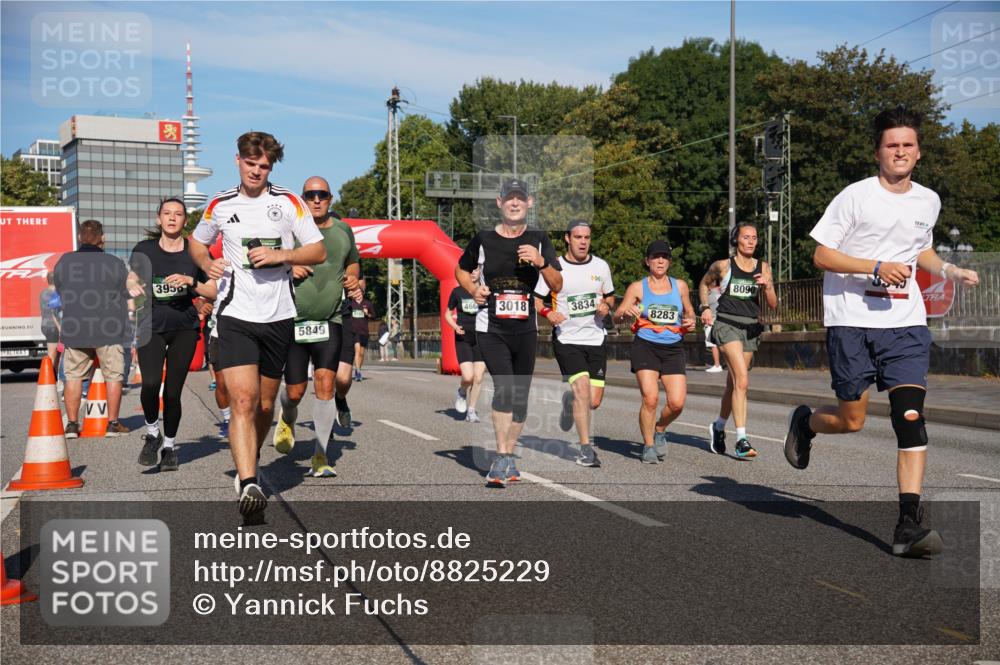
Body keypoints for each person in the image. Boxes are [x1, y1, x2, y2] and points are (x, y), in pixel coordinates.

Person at [783, 106, 979, 558]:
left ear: (919, 152)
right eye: (892, 145)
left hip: (905, 323)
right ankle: (806, 422)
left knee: (909, 416)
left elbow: (921, 248)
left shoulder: (927, 200)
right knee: (851, 420)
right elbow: (823, 257)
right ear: (878, 152)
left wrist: (948, 269)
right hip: (852, 321)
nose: (900, 152)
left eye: (908, 145)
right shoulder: (855, 197)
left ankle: (908, 524)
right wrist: (874, 266)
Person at [189, 131, 326, 525]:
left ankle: (252, 455)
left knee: (266, 404)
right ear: (238, 161)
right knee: (243, 401)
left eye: (264, 166)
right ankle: (249, 482)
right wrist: (206, 263)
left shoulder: (288, 203)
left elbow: (317, 250)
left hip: (279, 315)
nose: (257, 171)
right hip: (235, 315)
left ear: (271, 168)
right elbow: (197, 244)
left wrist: (281, 254)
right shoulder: (218, 204)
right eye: (251, 164)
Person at [455, 178, 562, 487]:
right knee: (504, 386)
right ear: (499, 203)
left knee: (520, 398)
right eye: (509, 198)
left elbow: (557, 285)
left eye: (521, 198)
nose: (515, 203)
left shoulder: (540, 238)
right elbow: (460, 269)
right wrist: (473, 288)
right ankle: (501, 457)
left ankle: (508, 455)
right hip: (492, 327)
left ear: (529, 203)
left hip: (525, 329)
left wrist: (542, 262)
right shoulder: (484, 239)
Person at [272, 177, 360, 477]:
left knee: (325, 385)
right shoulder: (289, 230)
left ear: (330, 199)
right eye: (310, 195)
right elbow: (264, 259)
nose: (317, 199)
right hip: (294, 320)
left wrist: (352, 277)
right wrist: (288, 264)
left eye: (322, 194)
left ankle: (320, 456)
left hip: (330, 319)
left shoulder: (343, 230)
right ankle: (287, 415)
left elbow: (353, 262)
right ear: (303, 199)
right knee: (295, 392)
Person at [128, 198, 216, 471]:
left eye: (178, 214)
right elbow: (131, 277)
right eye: (167, 213)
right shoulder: (144, 249)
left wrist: (191, 281)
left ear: (184, 221)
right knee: (151, 383)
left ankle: (169, 446)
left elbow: (213, 290)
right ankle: (153, 431)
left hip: (184, 328)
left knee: (174, 393)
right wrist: (130, 283)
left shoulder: (195, 251)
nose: (172, 218)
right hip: (150, 326)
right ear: (159, 219)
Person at [534, 220, 615, 467]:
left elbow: (610, 296)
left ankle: (570, 404)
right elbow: (537, 301)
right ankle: (585, 449)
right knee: (581, 389)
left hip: (596, 339)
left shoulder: (601, 266)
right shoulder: (555, 267)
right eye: (578, 237)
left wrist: (606, 306)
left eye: (587, 237)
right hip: (567, 339)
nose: (583, 242)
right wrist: (548, 314)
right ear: (568, 239)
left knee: (593, 401)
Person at [699, 221, 778, 458]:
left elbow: (773, 305)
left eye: (754, 237)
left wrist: (766, 288)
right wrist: (705, 307)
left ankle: (719, 426)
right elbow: (704, 284)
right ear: (736, 240)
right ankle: (742, 439)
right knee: (742, 380)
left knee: (734, 384)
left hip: (750, 328)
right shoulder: (723, 266)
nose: (751, 241)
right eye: (746, 237)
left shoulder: (763, 268)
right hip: (726, 325)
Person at [613, 240, 695, 464]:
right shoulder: (637, 288)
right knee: (650, 398)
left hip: (673, 347)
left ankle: (660, 428)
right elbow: (617, 316)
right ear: (647, 261)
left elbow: (689, 313)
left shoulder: (680, 286)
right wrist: (625, 313)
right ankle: (648, 445)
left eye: (665, 257)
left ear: (669, 261)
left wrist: (691, 322)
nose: (660, 261)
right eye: (656, 257)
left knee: (677, 403)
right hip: (646, 346)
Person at [53, 220, 135, 438]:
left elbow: (59, 289)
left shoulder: (65, 261)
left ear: (80, 238)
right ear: (102, 238)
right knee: (114, 376)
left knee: (73, 377)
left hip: (75, 328)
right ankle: (113, 423)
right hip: (108, 329)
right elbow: (123, 292)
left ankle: (71, 425)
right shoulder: (114, 262)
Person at [445, 268, 487, 424]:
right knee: (468, 377)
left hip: (481, 338)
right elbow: (447, 313)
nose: (473, 272)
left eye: (476, 269)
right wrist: (454, 326)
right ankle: (462, 391)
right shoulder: (458, 292)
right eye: (470, 270)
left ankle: (471, 410)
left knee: (479, 377)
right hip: (463, 338)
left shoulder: (485, 291)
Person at [39, 273, 62, 384]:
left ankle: (56, 378)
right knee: (53, 354)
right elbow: (56, 313)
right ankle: (49, 378)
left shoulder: (43, 293)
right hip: (54, 326)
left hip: (45, 325)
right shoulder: (55, 294)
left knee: (57, 354)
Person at [349, 280, 375, 380]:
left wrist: (367, 314)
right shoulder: (351, 304)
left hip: (364, 331)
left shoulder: (367, 304)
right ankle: (358, 372)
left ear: (362, 293)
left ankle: (358, 368)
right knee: (357, 350)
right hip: (354, 331)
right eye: (356, 293)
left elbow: (374, 316)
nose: (358, 294)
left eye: (360, 292)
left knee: (362, 353)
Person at [703, 285, 723, 373]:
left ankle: (717, 365)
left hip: (711, 321)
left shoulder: (710, 296)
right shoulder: (720, 294)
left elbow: (702, 306)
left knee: (712, 344)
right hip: (721, 321)